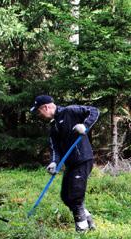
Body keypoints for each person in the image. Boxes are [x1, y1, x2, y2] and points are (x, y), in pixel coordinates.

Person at [30, 95, 100, 231]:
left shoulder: (70, 111)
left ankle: (82, 229)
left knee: (75, 195)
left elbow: (94, 111)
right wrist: (54, 162)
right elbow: (54, 148)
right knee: (66, 196)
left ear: (46, 107)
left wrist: (84, 126)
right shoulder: (54, 127)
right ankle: (89, 221)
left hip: (83, 159)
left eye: (39, 111)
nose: (39, 115)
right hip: (70, 163)